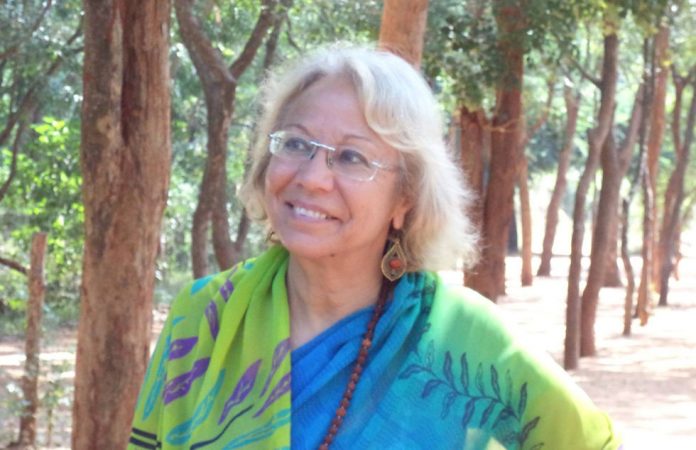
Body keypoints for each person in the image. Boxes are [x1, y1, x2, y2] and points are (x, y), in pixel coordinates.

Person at [129, 44, 622, 450]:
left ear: (405, 199)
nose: (313, 177)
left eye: (351, 157)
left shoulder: (463, 341)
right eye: (296, 144)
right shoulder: (202, 318)